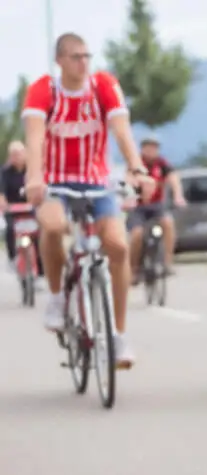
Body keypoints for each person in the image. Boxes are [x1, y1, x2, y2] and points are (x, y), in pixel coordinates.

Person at [22, 32, 155, 368]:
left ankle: (118, 336)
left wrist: (137, 169)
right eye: (75, 57)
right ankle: (56, 297)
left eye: (86, 56)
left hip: (97, 180)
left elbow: (122, 131)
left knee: (119, 246)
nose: (83, 63)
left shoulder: (103, 86)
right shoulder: (44, 90)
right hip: (54, 180)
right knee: (52, 227)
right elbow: (35, 139)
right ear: (60, 61)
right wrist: (35, 177)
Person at [127, 136, 187, 283]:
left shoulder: (162, 164)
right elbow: (129, 178)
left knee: (168, 223)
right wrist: (130, 196)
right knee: (136, 235)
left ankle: (167, 263)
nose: (151, 151)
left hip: (157, 206)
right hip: (138, 207)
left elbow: (173, 178)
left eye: (154, 148)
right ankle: (133, 269)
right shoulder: (136, 163)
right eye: (148, 147)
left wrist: (178, 196)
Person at [0, 141, 44, 278]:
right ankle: (13, 257)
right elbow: (1, 192)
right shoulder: (4, 172)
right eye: (14, 155)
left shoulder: (31, 170)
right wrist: (3, 203)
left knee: (39, 232)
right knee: (10, 228)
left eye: (19, 154)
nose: (17, 157)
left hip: (31, 207)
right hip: (12, 208)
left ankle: (41, 266)